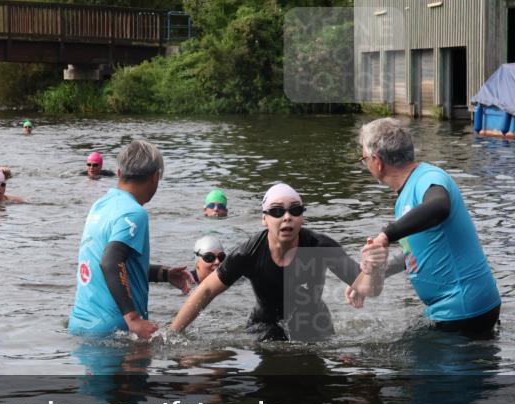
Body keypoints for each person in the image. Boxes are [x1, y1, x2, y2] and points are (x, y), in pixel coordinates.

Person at [157, 183, 384, 343]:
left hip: (313, 321)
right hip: (265, 324)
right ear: (264, 218)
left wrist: (373, 267)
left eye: (294, 210)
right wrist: (172, 333)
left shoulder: (320, 247)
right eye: (276, 211)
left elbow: (369, 289)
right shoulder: (248, 253)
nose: (286, 217)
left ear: (302, 217)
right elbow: (206, 290)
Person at [354, 118, 501, 335]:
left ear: (377, 161)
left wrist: (387, 234)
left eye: (364, 158)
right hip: (454, 308)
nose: (365, 164)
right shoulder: (406, 194)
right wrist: (375, 271)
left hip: (463, 308)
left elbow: (439, 206)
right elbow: (417, 253)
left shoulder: (428, 177)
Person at [68, 140, 193, 338]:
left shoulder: (100, 205)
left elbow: (116, 265)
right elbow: (110, 262)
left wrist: (164, 274)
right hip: (113, 332)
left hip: (80, 325)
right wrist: (133, 319)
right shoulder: (135, 213)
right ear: (155, 177)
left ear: (119, 173)